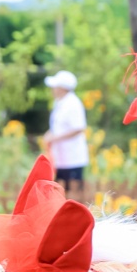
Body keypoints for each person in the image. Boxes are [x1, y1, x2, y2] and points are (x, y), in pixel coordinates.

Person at [39, 69, 89, 200]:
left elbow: (78, 128)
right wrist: (49, 134)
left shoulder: (73, 103)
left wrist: (55, 138)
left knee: (74, 190)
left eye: (55, 87)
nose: (52, 89)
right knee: (62, 189)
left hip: (73, 156)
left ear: (62, 88)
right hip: (60, 156)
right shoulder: (60, 103)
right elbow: (57, 126)